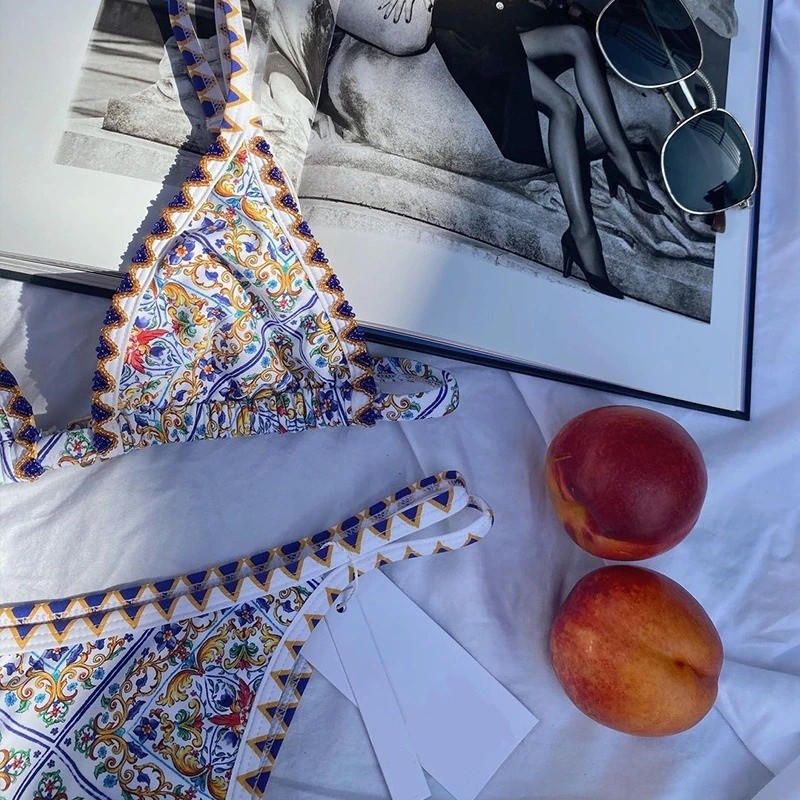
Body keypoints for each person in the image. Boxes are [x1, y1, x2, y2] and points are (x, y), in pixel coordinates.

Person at [344, 0, 664, 299]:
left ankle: (622, 158)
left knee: (577, 38)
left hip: (498, 25)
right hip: (469, 36)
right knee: (564, 106)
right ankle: (582, 233)